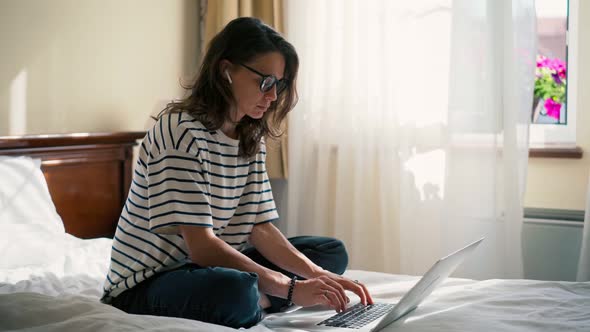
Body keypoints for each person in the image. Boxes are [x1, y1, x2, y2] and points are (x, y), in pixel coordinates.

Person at [101, 17, 373, 328]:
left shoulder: (250, 136)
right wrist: (290, 287)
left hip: (210, 267)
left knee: (328, 254)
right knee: (237, 290)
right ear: (226, 70)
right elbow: (201, 247)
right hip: (150, 281)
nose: (272, 97)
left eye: (279, 85)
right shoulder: (180, 131)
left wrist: (317, 275)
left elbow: (260, 227)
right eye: (266, 82)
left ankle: (261, 295)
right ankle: (259, 296)